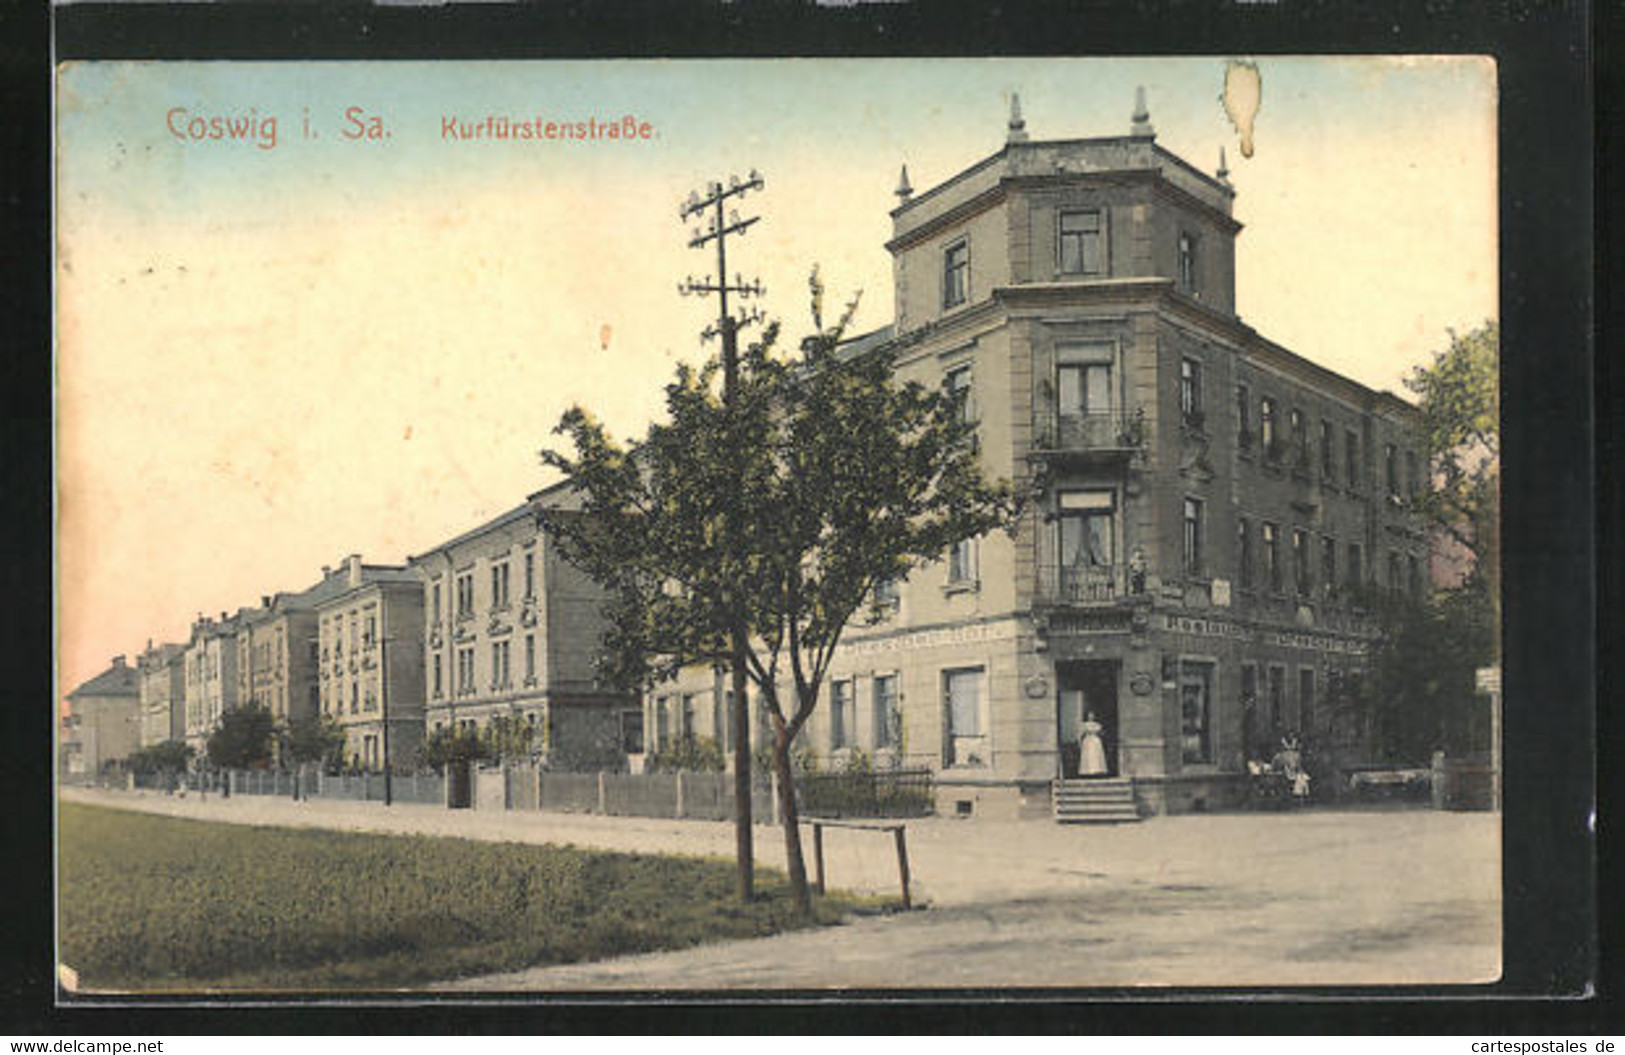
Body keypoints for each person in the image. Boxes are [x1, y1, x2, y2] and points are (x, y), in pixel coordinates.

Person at [1078, 712, 1108, 777]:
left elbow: (1101, 732)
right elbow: (1081, 733)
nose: (1091, 717)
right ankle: (1087, 771)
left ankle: (1097, 770)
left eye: (1092, 716)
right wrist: (1080, 742)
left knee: (1095, 755)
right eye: (1089, 716)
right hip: (1088, 740)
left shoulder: (1097, 725)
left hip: (1095, 740)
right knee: (1088, 754)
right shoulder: (1085, 725)